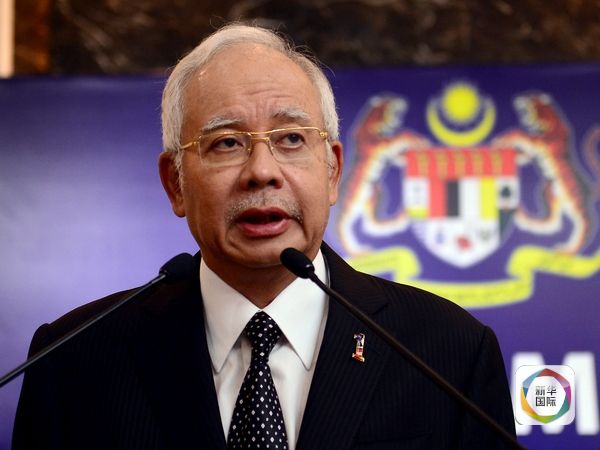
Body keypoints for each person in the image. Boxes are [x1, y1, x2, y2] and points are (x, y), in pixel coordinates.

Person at [12, 23, 516, 450]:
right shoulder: (74, 359)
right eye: (227, 142)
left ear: (333, 170)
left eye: (291, 138)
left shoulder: (448, 353)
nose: (261, 171)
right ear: (175, 184)